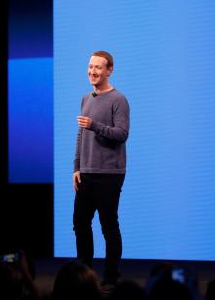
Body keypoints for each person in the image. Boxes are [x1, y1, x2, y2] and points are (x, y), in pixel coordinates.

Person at [73, 50, 130, 288]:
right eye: (90, 67)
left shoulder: (119, 99)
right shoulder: (86, 98)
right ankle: (84, 275)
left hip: (109, 174)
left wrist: (95, 125)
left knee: (109, 226)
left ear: (109, 70)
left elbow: (122, 134)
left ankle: (110, 277)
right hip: (86, 172)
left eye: (98, 67)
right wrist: (76, 166)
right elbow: (80, 135)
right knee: (80, 223)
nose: (92, 71)